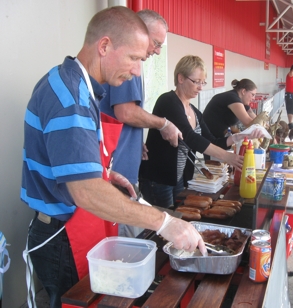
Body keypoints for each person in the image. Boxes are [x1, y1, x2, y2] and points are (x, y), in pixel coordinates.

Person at [21, 7, 206, 307]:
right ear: (104, 46)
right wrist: (164, 222)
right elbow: (85, 191)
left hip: (70, 226)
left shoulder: (75, 84)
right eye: (134, 58)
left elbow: (70, 161)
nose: (136, 71)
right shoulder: (71, 97)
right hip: (61, 235)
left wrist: (105, 174)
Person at [139, 55, 263, 208]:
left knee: (177, 217)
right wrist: (226, 156)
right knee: (162, 225)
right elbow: (190, 137)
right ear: (181, 78)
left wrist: (239, 136)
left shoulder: (195, 112)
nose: (200, 87)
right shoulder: (168, 101)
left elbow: (212, 140)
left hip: (179, 178)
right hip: (158, 179)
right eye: (196, 82)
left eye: (202, 82)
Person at [99, 9, 179, 237]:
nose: (157, 50)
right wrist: (163, 124)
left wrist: (135, 143)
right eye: (155, 43)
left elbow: (115, 118)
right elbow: (125, 111)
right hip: (116, 180)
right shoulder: (126, 67)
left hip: (119, 174)